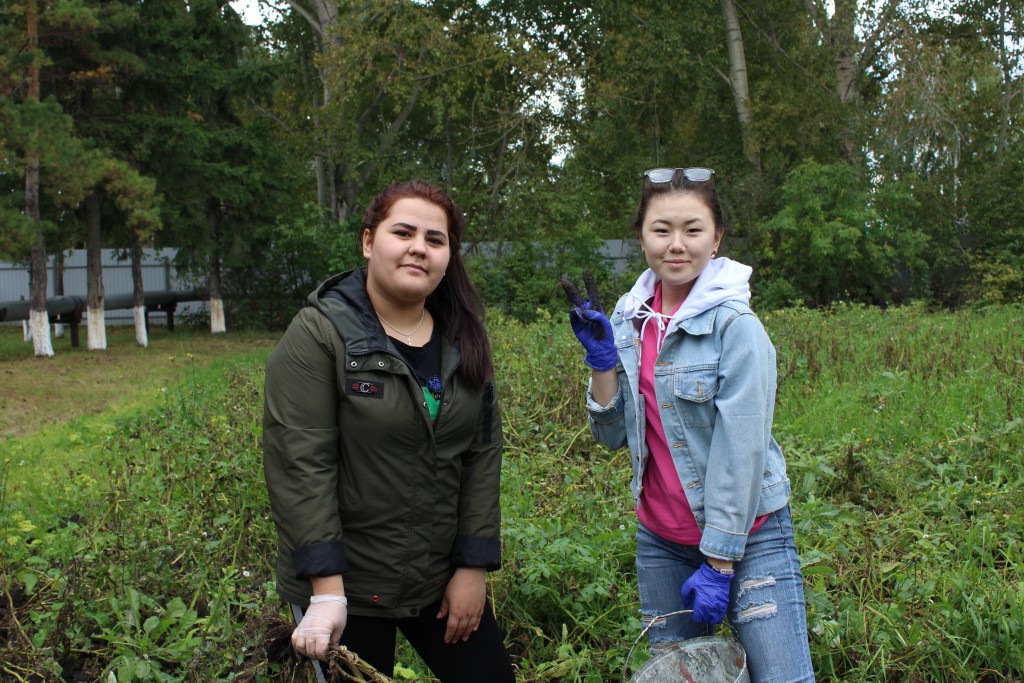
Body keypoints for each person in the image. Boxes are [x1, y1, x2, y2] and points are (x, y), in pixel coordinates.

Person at [562, 167, 815, 682]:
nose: (676, 245)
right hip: (661, 540)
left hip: (750, 538)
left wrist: (720, 563)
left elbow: (742, 448)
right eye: (661, 230)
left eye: (693, 230)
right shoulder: (629, 318)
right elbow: (611, 436)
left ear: (716, 238)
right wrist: (602, 364)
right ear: (642, 238)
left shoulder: (735, 326)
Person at [262, 179, 515, 683]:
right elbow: (300, 463)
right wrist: (326, 592)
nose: (419, 247)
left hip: (438, 577)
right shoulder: (319, 334)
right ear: (368, 241)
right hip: (347, 586)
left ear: (448, 257)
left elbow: (482, 455)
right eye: (403, 232)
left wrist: (471, 568)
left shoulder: (462, 339)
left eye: (435, 239)